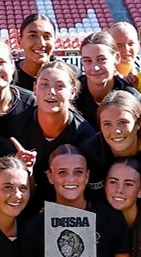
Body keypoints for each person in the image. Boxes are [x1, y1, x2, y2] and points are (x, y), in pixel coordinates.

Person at [11, 60, 98, 216]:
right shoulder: (17, 127)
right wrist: (23, 171)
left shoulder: (85, 135)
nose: (51, 91)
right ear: (34, 88)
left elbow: (90, 192)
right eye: (44, 84)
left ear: (73, 91)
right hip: (27, 209)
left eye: (60, 86)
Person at [79, 90, 141, 209]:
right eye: (107, 124)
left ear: (138, 123)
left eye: (123, 122)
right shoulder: (89, 153)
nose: (116, 131)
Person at [74, 30, 141, 124]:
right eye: (88, 61)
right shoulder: (71, 94)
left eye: (101, 59)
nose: (95, 68)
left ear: (117, 58)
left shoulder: (131, 96)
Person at [13, 13, 57, 91]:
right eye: (33, 36)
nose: (41, 43)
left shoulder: (69, 75)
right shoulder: (9, 78)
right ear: (19, 41)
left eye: (47, 37)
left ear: (55, 41)